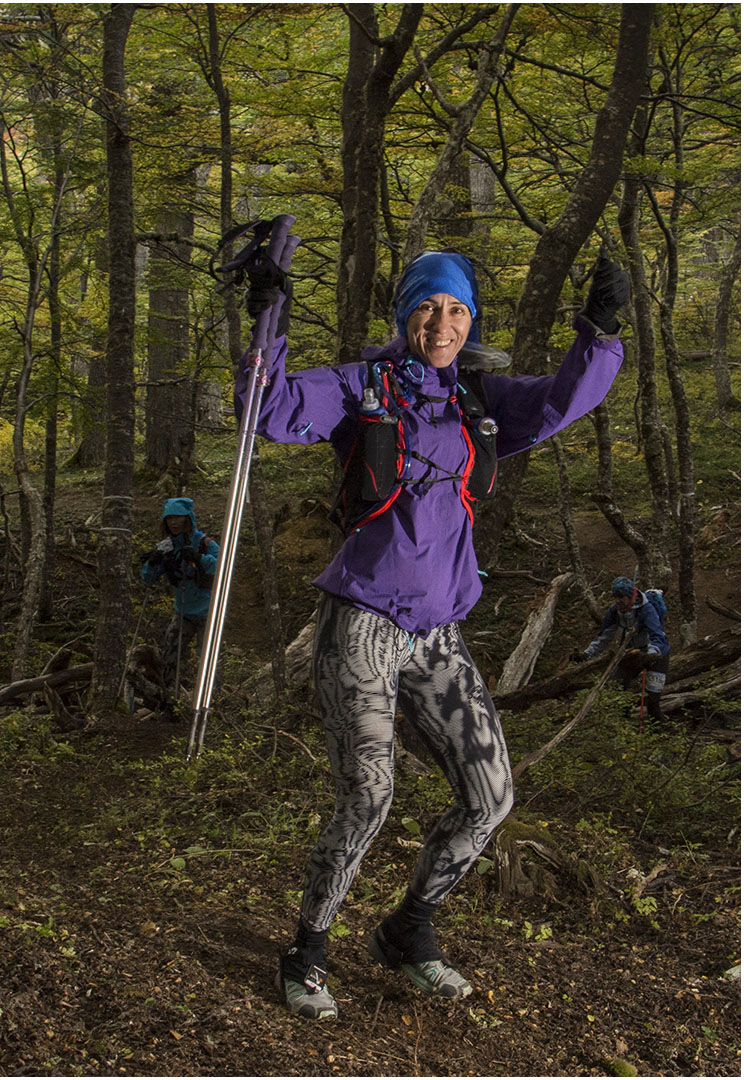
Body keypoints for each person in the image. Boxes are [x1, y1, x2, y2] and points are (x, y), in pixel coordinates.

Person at [236, 246, 630, 1020]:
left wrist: (601, 330)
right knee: (369, 796)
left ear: (470, 319)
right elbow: (270, 410)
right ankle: (306, 953)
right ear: (404, 315)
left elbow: (561, 401)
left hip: (438, 633)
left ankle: (407, 931)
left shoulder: (478, 401)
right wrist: (267, 316)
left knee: (491, 796)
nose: (442, 324)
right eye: (428, 308)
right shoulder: (363, 386)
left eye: (456, 311)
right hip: (362, 625)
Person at [141, 497, 219, 721]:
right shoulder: (166, 546)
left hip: (208, 612)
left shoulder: (204, 542)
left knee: (208, 659)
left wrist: (199, 558)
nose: (174, 522)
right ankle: (171, 704)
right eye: (170, 518)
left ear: (188, 518)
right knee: (171, 656)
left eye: (178, 517)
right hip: (183, 611)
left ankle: (210, 703)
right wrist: (153, 562)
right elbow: (149, 579)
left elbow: (222, 567)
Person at [572, 576, 669, 720]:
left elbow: (658, 635)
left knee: (652, 700)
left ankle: (660, 728)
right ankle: (624, 726)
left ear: (630, 596)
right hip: (631, 653)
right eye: (615, 597)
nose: (618, 601)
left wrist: (650, 654)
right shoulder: (614, 611)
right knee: (617, 687)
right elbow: (604, 636)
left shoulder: (646, 609)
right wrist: (587, 654)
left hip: (658, 654)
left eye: (621, 597)